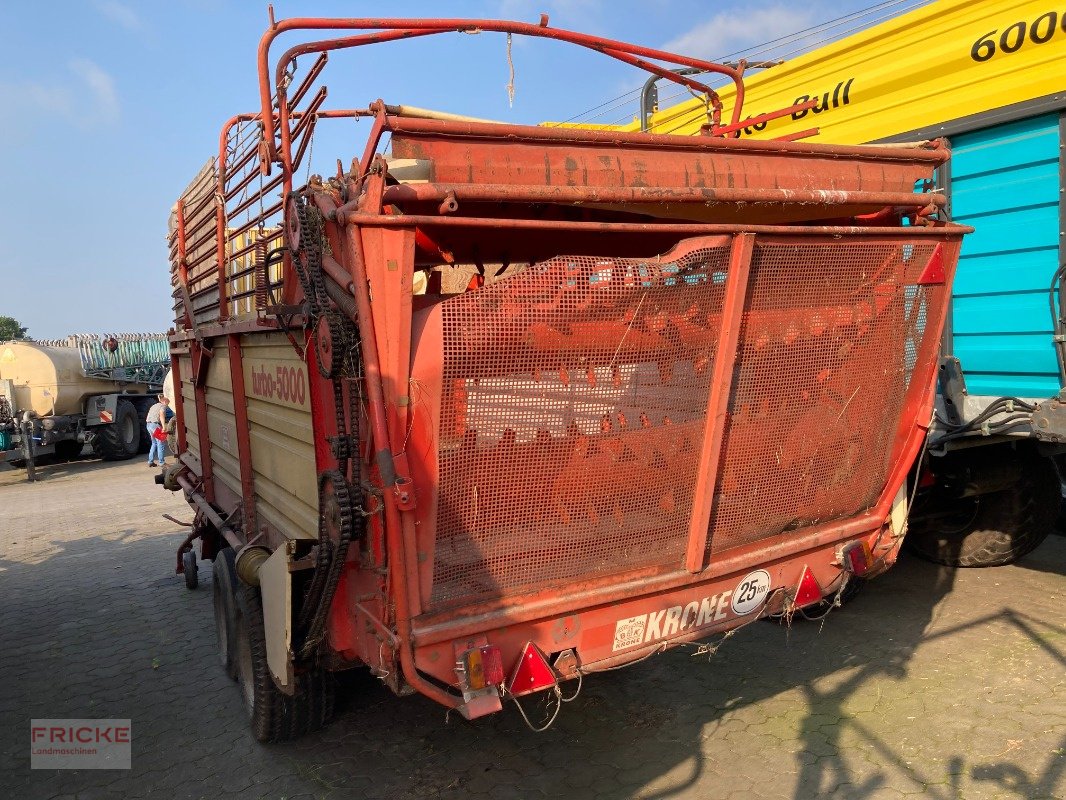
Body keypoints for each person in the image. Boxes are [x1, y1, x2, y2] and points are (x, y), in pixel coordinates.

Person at [146, 394, 170, 468]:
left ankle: (150, 462)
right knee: (161, 443)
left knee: (154, 443)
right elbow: (161, 415)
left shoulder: (154, 406)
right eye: (168, 403)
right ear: (165, 401)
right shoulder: (162, 406)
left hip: (148, 425)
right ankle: (162, 462)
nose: (167, 405)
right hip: (155, 425)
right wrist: (163, 426)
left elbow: (147, 417)